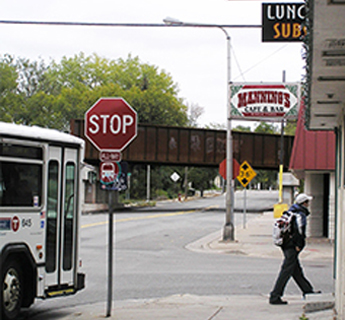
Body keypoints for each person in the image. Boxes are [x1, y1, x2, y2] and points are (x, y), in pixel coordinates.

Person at [269, 193, 320, 305]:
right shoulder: (299, 214)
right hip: (291, 245)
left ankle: (308, 291)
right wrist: (299, 245)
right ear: (304, 203)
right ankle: (275, 296)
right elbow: (300, 231)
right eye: (307, 202)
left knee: (296, 270)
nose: (308, 204)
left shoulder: (291, 211)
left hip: (285, 243)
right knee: (286, 270)